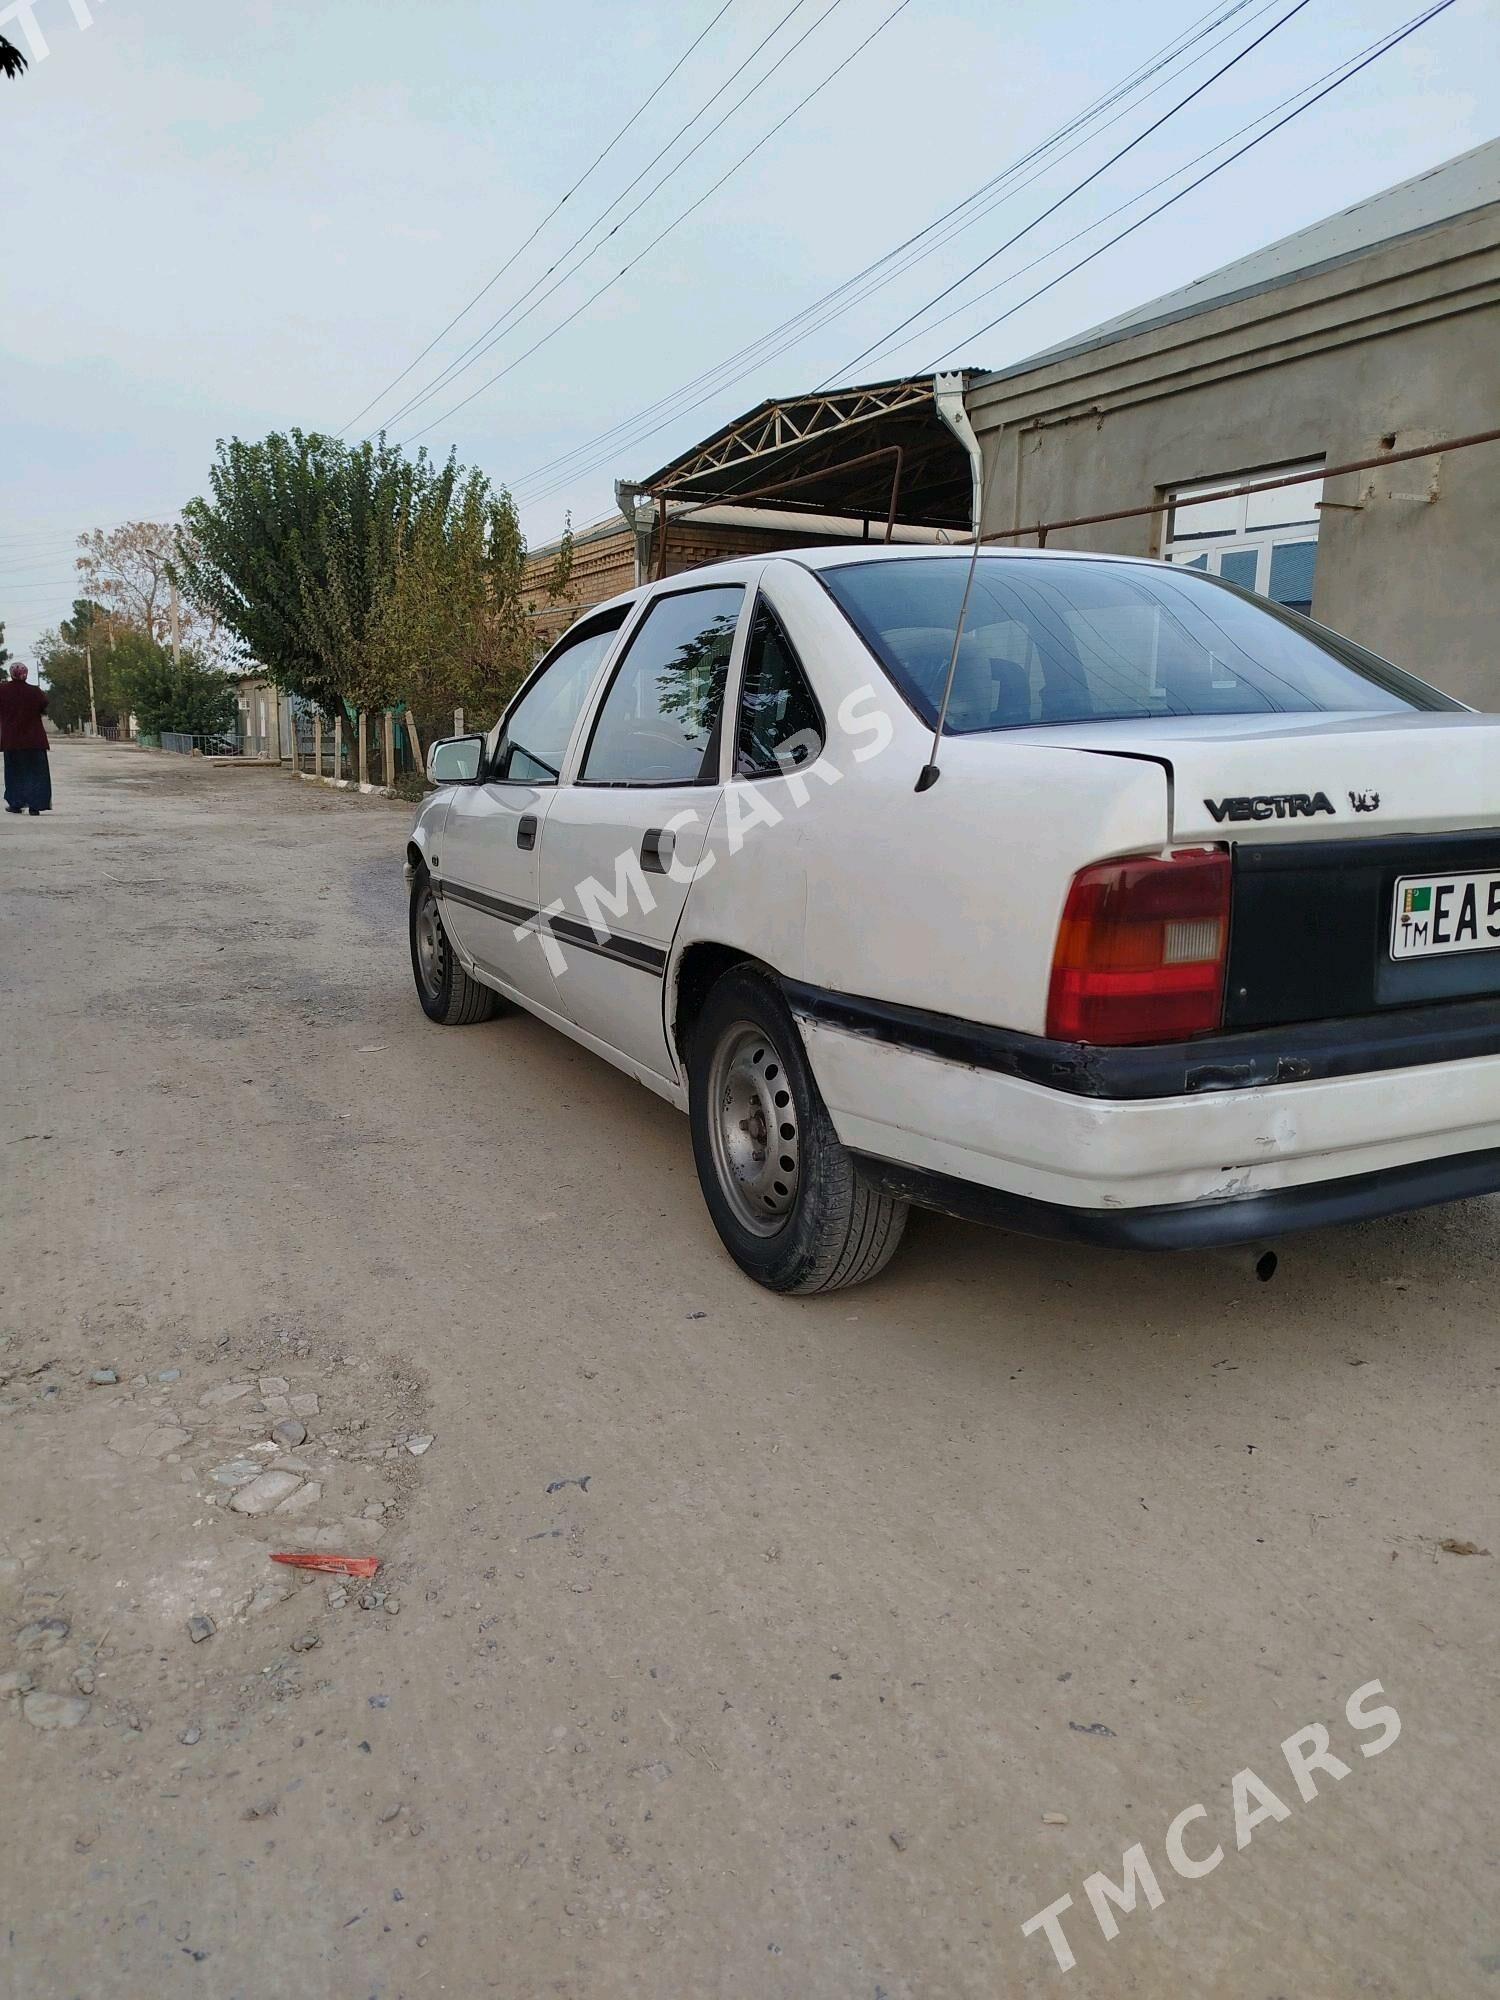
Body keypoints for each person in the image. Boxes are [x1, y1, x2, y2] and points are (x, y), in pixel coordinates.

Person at [0, 663, 52, 815]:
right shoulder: (35, 692)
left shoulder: (2, 690)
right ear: (26, 674)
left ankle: (16, 803)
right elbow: (43, 707)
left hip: (12, 740)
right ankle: (36, 806)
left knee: (15, 773)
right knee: (36, 773)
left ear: (11, 674)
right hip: (35, 740)